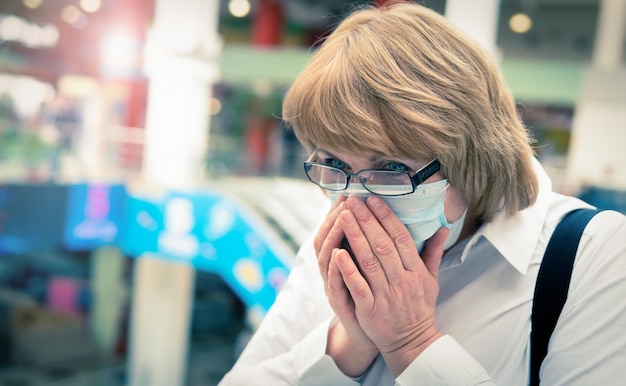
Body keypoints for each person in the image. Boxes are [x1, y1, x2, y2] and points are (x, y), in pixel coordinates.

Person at [219, 2, 626, 385]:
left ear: (473, 159)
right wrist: (345, 346)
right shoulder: (334, 244)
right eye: (334, 164)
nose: (356, 203)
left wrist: (410, 343)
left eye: (393, 168)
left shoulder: (594, 254)